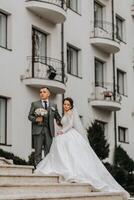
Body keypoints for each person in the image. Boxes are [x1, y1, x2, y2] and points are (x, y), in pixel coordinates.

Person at [35, 97, 129, 200]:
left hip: (70, 134)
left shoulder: (71, 113)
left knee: (71, 153)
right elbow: (62, 124)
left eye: (68, 104)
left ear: (71, 106)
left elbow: (70, 124)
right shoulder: (65, 114)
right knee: (62, 149)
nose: (66, 106)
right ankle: (64, 167)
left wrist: (63, 131)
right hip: (64, 134)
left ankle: (70, 171)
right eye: (64, 104)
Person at [28, 87, 61, 167]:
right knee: (38, 151)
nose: (42, 93)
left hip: (49, 131)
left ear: (48, 94)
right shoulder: (35, 104)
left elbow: (58, 117)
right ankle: (38, 169)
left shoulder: (54, 105)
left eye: (44, 92)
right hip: (38, 130)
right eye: (41, 92)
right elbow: (29, 116)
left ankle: (47, 169)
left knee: (48, 151)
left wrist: (62, 121)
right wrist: (36, 119)